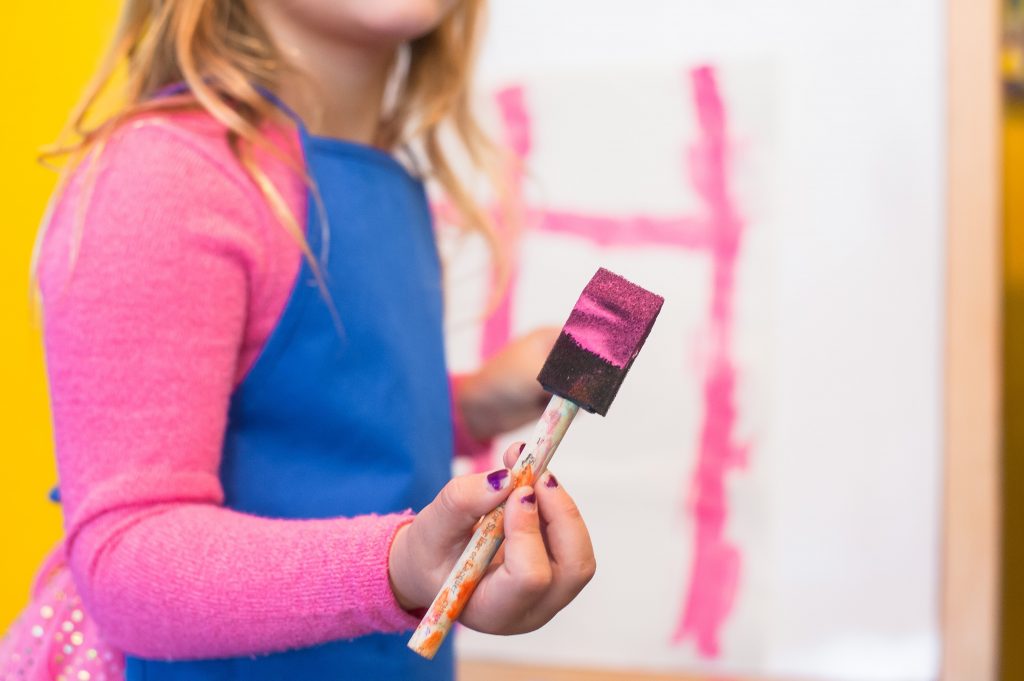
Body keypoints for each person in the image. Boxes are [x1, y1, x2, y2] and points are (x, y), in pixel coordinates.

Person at [1, 2, 596, 680]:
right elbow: (126, 553)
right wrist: (398, 564)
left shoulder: (393, 189)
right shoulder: (168, 176)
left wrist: (472, 407)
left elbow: (314, 423)